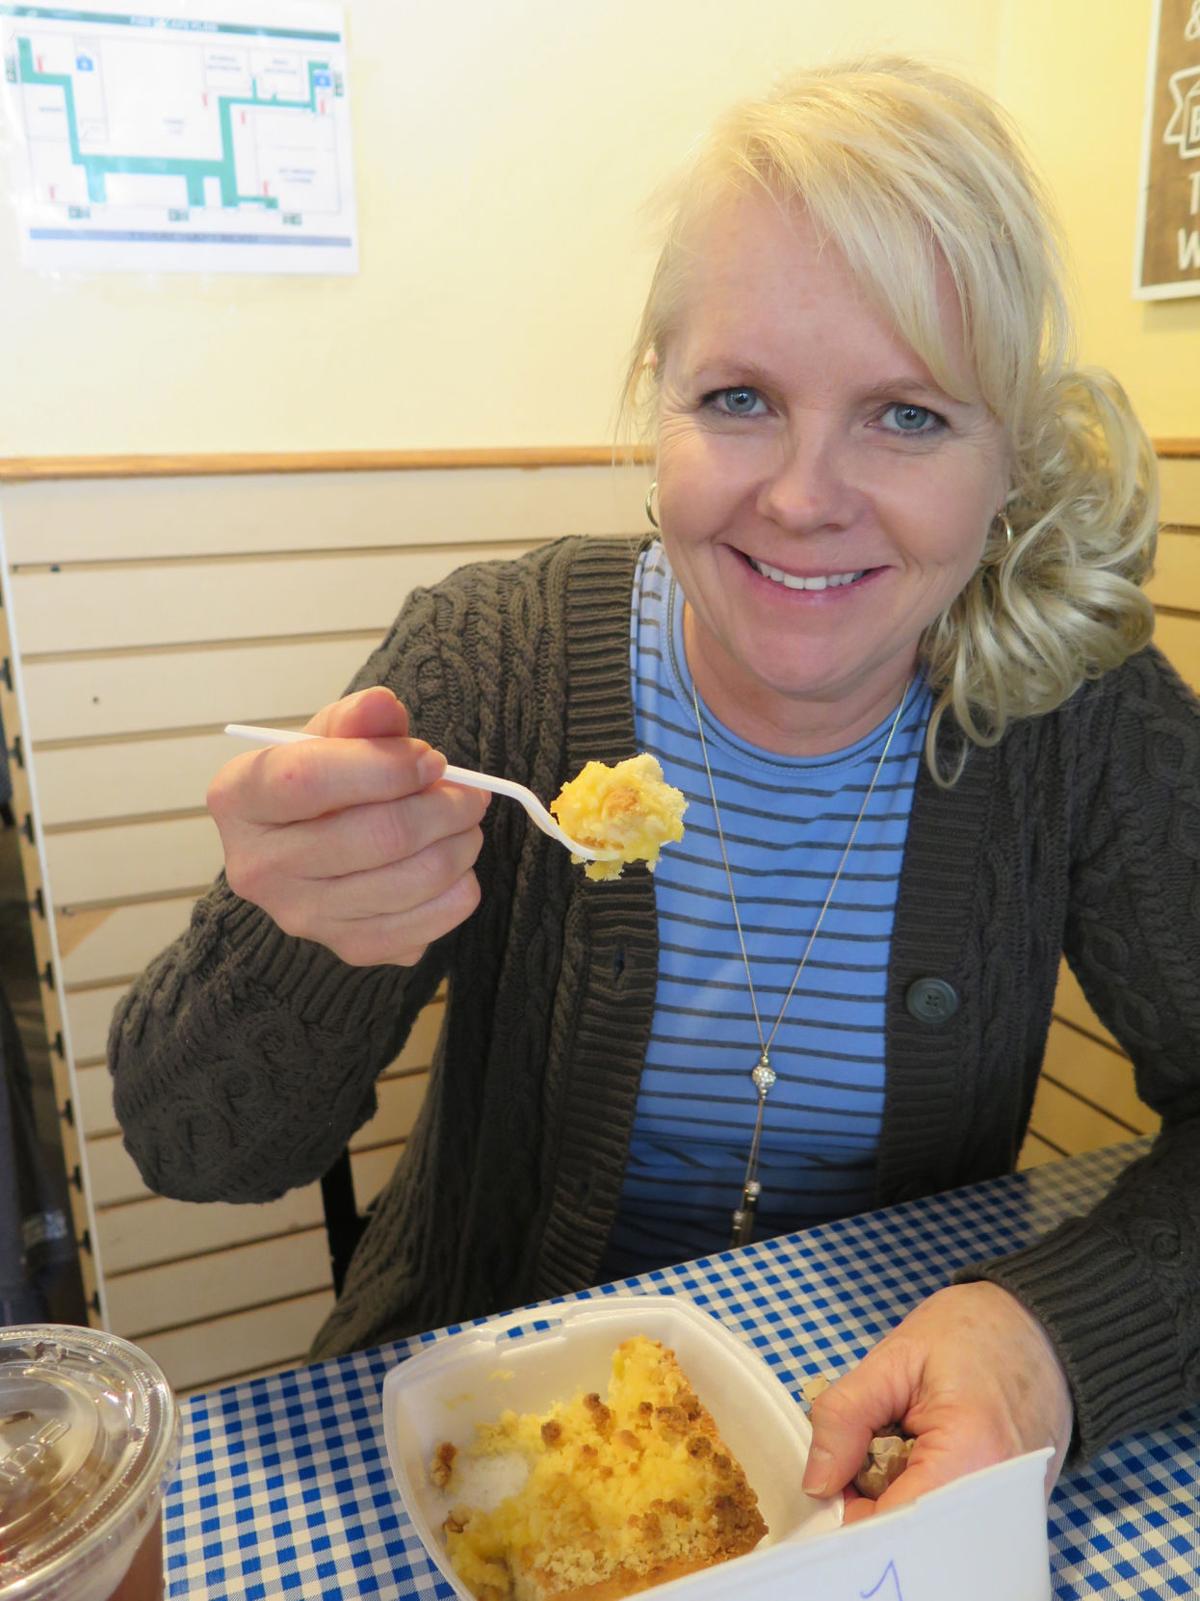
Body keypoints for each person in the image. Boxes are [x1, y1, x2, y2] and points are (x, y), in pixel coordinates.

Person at [109, 55, 1199, 1522]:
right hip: (484, 1460)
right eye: (741, 397)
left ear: (1011, 461)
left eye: (910, 416)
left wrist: (1046, 1337)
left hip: (872, 1455)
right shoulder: (492, 666)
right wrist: (303, 931)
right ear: (654, 405)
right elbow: (193, 1143)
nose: (806, 495)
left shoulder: (1077, 715)